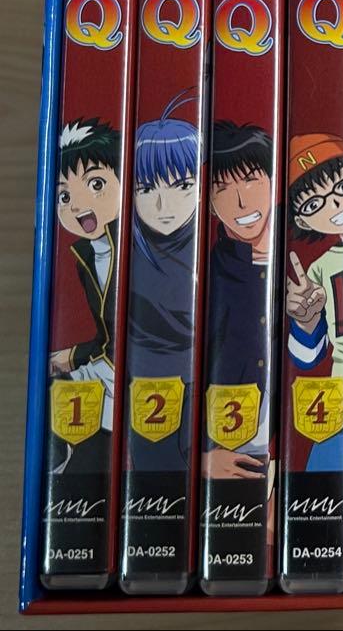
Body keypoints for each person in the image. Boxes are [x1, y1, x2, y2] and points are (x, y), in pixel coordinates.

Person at [127, 95, 202, 471]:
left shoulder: (217, 250)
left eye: (182, 185)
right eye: (146, 189)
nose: (163, 206)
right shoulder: (125, 257)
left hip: (210, 390)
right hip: (145, 394)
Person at [202, 121, 276, 483]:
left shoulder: (304, 258)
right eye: (222, 188)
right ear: (210, 203)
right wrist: (200, 455)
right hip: (230, 446)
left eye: (250, 180)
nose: (242, 201)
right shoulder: (209, 275)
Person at [50, 118, 122, 473]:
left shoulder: (140, 248)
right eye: (65, 196)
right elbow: (108, 329)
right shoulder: (87, 254)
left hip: (136, 376)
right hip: (106, 368)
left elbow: (129, 333)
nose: (79, 205)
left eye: (96, 184)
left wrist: (77, 356)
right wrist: (74, 356)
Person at [285, 134, 343, 472]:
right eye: (314, 204)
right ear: (302, 221)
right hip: (341, 400)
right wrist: (306, 321)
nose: (335, 205)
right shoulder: (319, 268)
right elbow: (308, 357)